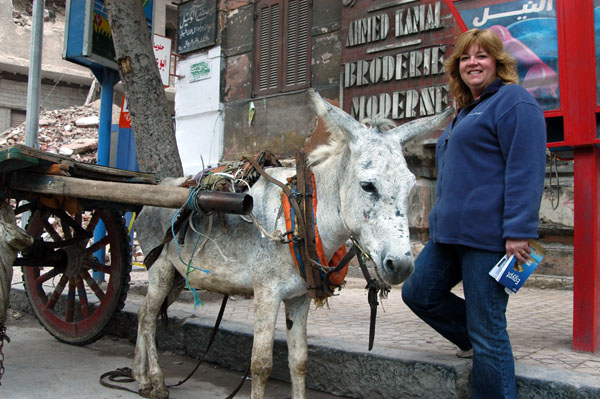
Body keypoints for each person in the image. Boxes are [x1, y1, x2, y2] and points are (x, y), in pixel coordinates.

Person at [401, 28, 546, 399]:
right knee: (419, 292)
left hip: (490, 239)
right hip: (450, 236)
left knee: (489, 328)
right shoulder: (465, 111)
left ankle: (487, 352)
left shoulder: (514, 101)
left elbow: (525, 169)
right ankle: (477, 342)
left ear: (498, 61)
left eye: (481, 56)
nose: (472, 63)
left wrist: (518, 231)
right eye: (465, 58)